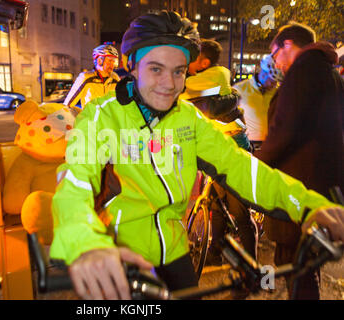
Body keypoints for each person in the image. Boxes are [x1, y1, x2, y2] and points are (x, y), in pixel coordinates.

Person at [50, 12, 344, 300]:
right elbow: (74, 182)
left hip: (176, 253)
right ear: (132, 65)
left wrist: (307, 205)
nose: (169, 84)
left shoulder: (187, 118)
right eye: (156, 69)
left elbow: (240, 166)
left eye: (179, 71)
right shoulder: (102, 116)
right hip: (120, 254)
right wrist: (85, 242)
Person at [254, 22, 344, 300]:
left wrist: (255, 165)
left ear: (288, 45)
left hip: (299, 182)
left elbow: (285, 129)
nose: (276, 63)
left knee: (294, 262)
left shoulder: (303, 70)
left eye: (276, 54)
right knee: (305, 262)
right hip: (322, 180)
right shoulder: (329, 72)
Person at [180, 39, 256, 271]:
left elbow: (184, 88)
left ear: (203, 60)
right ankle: (214, 253)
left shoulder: (218, 74)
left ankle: (249, 266)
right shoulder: (206, 82)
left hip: (235, 149)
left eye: (192, 57)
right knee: (214, 204)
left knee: (239, 212)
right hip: (218, 146)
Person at [233, 54, 282, 147]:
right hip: (247, 143)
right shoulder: (239, 89)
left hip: (269, 144)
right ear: (264, 73)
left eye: (276, 82)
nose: (274, 85)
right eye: (272, 81)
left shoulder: (277, 92)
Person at [63, 43, 121, 109]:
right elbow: (68, 104)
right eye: (110, 61)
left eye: (114, 61)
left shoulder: (115, 78)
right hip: (91, 119)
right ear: (99, 60)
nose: (112, 65)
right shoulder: (85, 78)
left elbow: (123, 101)